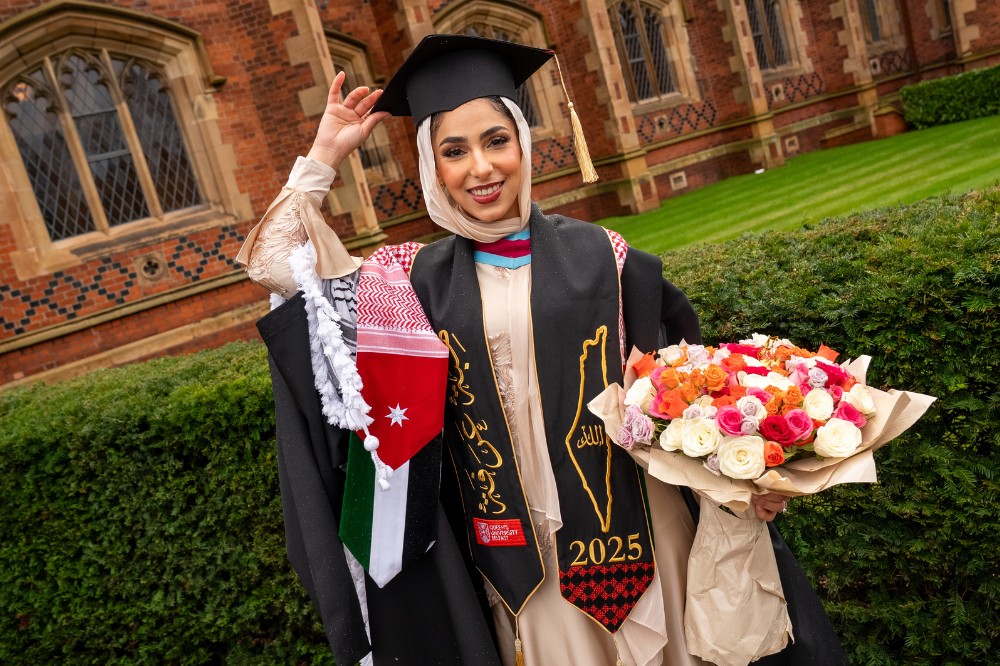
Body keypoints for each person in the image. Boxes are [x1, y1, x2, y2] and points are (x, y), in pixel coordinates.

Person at [237, 34, 845, 666]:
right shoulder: (405, 283)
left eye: (496, 140)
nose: (481, 168)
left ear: (524, 144)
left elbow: (688, 394)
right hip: (522, 563)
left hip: (642, 534)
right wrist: (323, 156)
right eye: (454, 151)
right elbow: (281, 265)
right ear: (431, 166)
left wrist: (749, 478)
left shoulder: (607, 259)